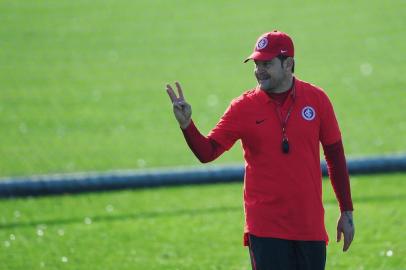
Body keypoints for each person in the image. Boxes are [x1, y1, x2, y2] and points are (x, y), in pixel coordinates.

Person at [166, 30, 354, 270]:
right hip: (265, 228)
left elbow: (335, 157)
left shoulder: (317, 100)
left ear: (289, 64)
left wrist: (346, 211)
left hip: (309, 226)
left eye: (267, 63)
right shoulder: (243, 107)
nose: (259, 70)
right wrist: (187, 125)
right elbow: (207, 152)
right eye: (256, 63)